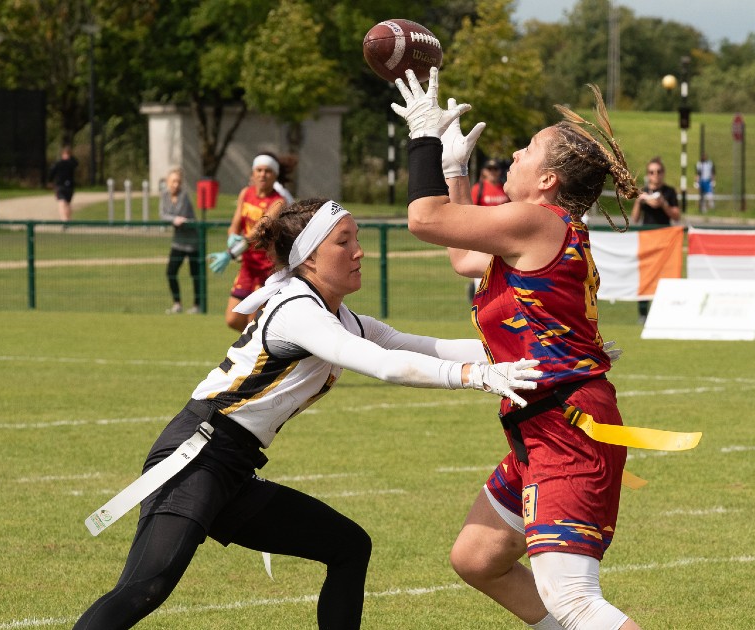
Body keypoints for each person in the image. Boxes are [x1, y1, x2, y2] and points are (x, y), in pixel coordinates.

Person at [74, 198, 544, 630]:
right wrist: (477, 376)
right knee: (145, 588)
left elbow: (420, 346)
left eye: (357, 239)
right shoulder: (298, 310)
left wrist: (536, 348)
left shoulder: (338, 315)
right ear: (310, 257)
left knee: (348, 547)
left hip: (231, 465)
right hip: (197, 455)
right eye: (344, 241)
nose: (359, 251)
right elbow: (384, 365)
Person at [393, 68, 643, 630]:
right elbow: (464, 257)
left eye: (528, 149)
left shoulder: (536, 221)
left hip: (567, 425)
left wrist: (424, 139)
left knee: (573, 599)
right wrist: (454, 172)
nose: (514, 153)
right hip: (544, 423)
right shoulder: (538, 229)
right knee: (477, 558)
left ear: (547, 179)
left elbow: (424, 219)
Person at [207, 154, 289, 331]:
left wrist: (230, 254)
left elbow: (259, 231)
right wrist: (232, 237)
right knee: (233, 319)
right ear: (252, 173)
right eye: (259, 170)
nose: (262, 174)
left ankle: (256, 345)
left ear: (275, 175)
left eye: (268, 171)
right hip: (248, 266)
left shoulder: (278, 202)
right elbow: (235, 225)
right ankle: (257, 342)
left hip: (267, 268)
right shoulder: (246, 193)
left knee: (254, 321)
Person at [630, 156, 680, 320]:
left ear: (663, 173)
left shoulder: (669, 192)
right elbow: (635, 218)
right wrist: (639, 201)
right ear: (648, 174)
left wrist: (663, 203)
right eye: (652, 172)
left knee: (666, 276)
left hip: (666, 239)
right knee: (646, 276)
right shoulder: (644, 192)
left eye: (658, 172)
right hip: (647, 239)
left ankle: (666, 311)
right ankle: (643, 313)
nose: (655, 175)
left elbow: (676, 216)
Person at [160, 167, 201, 314]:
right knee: (171, 272)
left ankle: (198, 305)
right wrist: (174, 219)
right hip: (178, 241)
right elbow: (163, 215)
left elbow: (181, 214)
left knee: (196, 275)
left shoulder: (184, 196)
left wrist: (174, 218)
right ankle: (177, 304)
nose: (175, 184)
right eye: (173, 181)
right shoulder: (164, 195)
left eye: (178, 181)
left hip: (193, 242)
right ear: (167, 182)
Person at [49, 145, 79, 223]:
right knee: (66, 204)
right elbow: (76, 163)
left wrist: (50, 181)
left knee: (62, 203)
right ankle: (68, 220)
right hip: (67, 186)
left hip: (62, 186)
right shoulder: (71, 163)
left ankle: (65, 220)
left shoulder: (59, 163)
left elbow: (51, 172)